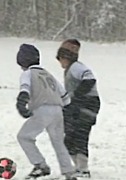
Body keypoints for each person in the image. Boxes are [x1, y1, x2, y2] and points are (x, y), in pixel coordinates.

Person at [16, 44, 77, 180]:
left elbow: (24, 90)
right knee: (58, 142)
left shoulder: (27, 74)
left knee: (24, 137)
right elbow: (65, 98)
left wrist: (21, 105)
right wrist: (68, 114)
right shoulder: (48, 74)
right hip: (58, 110)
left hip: (42, 110)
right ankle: (69, 172)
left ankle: (40, 165)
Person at [56, 39, 101, 177]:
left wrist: (76, 97)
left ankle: (83, 169)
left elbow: (90, 80)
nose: (60, 63)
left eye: (61, 59)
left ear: (67, 57)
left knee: (79, 136)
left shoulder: (77, 67)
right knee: (69, 137)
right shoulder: (71, 69)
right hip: (77, 106)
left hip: (87, 105)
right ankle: (78, 166)